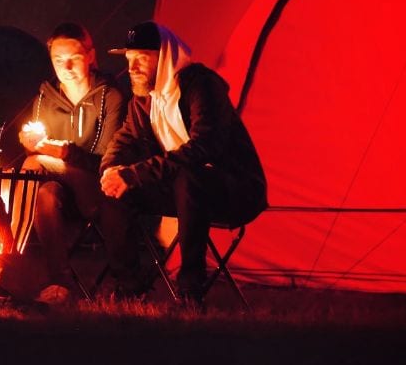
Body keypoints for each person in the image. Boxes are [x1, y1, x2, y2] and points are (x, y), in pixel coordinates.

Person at [99, 20, 268, 308]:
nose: (132, 67)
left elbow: (205, 147)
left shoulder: (201, 85)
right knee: (116, 191)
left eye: (141, 58)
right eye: (129, 59)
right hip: (183, 191)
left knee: (188, 177)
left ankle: (190, 290)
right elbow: (123, 141)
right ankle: (130, 283)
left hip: (234, 189)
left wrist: (135, 173)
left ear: (164, 56)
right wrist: (111, 170)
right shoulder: (143, 101)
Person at [16, 22, 129, 305]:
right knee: (44, 193)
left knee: (33, 163)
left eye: (74, 58)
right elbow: (39, 140)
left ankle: (1, 259)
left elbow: (105, 160)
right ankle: (59, 283)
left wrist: (61, 153)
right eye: (57, 60)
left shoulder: (110, 98)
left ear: (90, 56)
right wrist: (32, 140)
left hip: (97, 191)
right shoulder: (46, 97)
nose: (65, 66)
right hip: (60, 194)